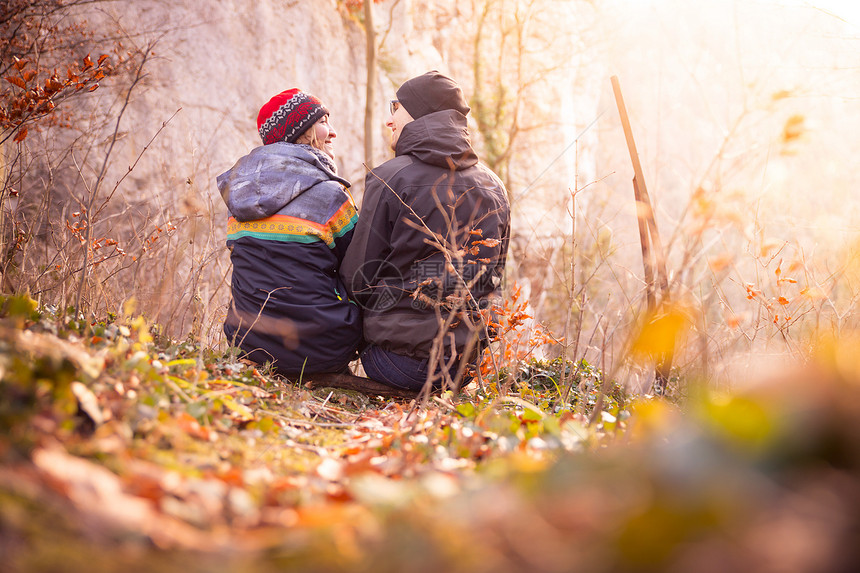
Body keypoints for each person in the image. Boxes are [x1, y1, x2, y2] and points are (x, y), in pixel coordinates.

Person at [342, 71, 510, 392]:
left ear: (420, 114)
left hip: (395, 363)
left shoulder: (391, 178)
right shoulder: (494, 185)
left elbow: (357, 279)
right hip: (465, 366)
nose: (389, 120)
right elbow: (493, 277)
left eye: (396, 108)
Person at [218, 88, 361, 377]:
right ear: (300, 132)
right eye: (323, 122)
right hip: (320, 349)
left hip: (247, 341)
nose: (332, 132)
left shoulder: (239, 196)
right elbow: (361, 272)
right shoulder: (329, 195)